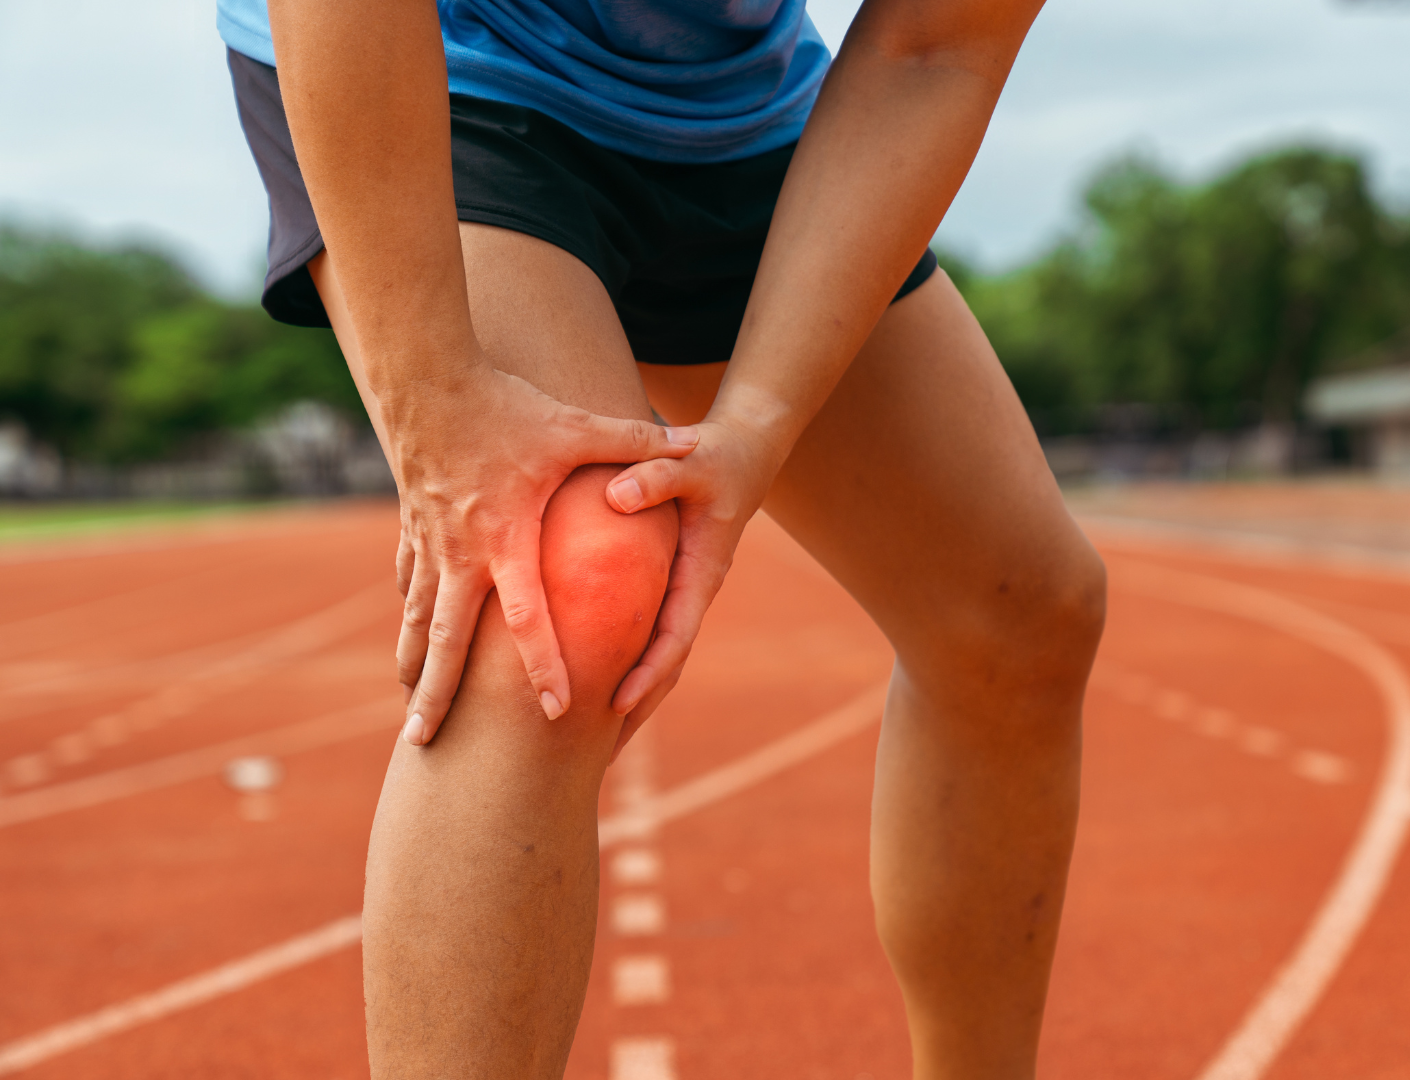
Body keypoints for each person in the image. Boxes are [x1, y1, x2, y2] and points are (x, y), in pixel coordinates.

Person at [217, 0, 1106, 1075]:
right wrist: (433, 395)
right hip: (448, 60)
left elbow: (934, 46)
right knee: (562, 586)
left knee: (1019, 612)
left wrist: (761, 417)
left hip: (730, 107)